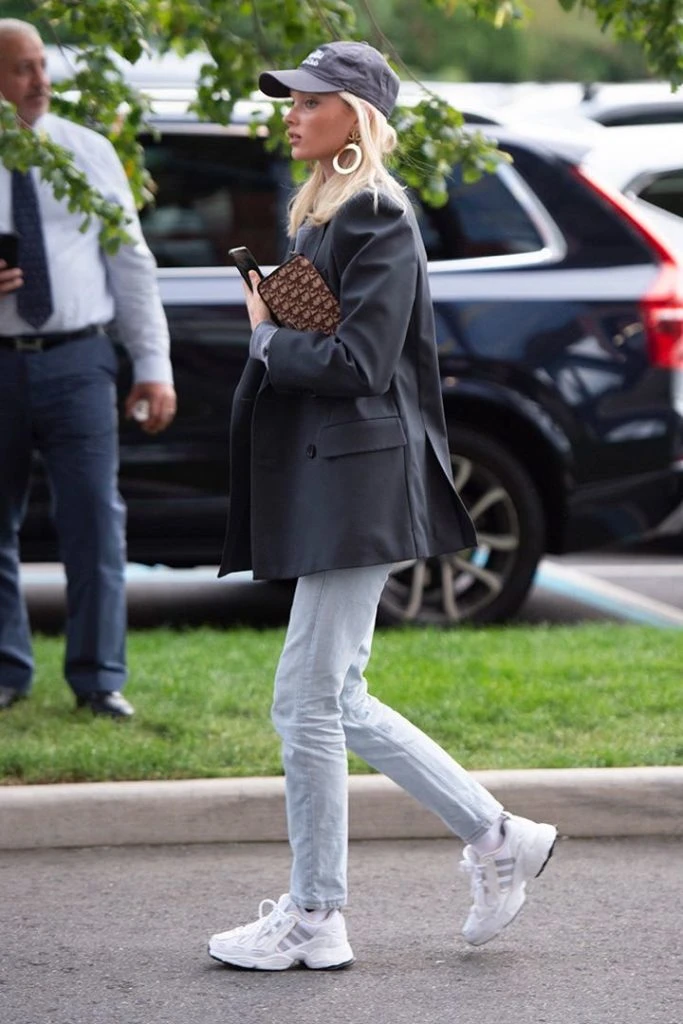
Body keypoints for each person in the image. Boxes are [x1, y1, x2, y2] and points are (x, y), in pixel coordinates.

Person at [208, 41, 557, 971]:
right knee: (337, 697)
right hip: (341, 478)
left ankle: (316, 915)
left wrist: (265, 338)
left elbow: (361, 363)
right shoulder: (326, 212)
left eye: (306, 100)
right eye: (288, 100)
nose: (289, 113)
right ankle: (497, 837)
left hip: (360, 482)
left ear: (354, 116)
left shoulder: (376, 214)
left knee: (305, 701)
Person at [0, 19, 177, 719]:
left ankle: (99, 679)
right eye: (21, 68)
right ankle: (6, 673)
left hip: (79, 360)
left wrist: (153, 365)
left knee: (95, 521)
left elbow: (131, 262)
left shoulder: (87, 152)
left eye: (41, 65)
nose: (40, 80)